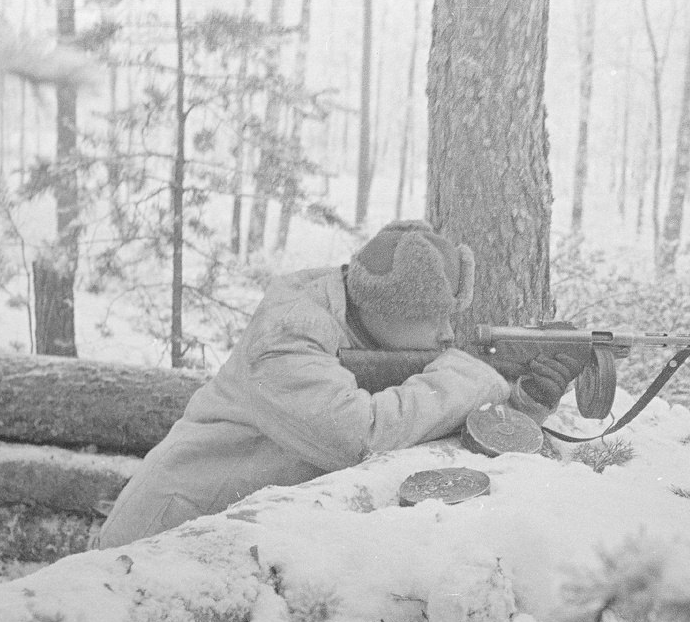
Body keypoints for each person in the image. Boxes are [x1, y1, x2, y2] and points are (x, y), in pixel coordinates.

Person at [94, 220, 585, 549]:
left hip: (238, 537)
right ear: (383, 310)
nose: (447, 334)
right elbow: (362, 439)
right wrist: (472, 376)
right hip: (165, 533)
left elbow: (420, 433)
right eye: (434, 317)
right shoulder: (287, 337)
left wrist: (520, 405)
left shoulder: (359, 320)